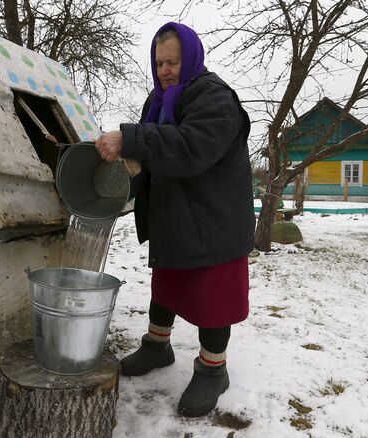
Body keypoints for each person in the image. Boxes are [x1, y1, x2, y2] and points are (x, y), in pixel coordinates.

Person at [95, 22, 255, 417]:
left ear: (192, 58)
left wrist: (130, 139)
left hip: (214, 218)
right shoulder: (160, 99)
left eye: (173, 61)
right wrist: (117, 188)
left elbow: (190, 147)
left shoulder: (214, 97)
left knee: (212, 297)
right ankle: (157, 347)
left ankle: (213, 370)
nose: (165, 70)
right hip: (176, 215)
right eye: (159, 62)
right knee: (166, 284)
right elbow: (152, 157)